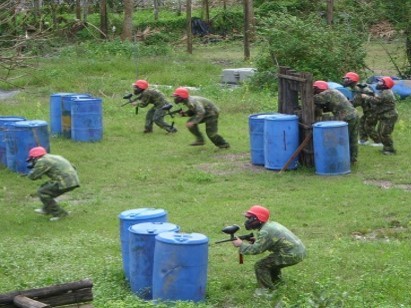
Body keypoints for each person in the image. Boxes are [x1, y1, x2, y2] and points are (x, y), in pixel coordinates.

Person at [232, 205, 306, 295]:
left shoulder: (265, 231)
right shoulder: (270, 225)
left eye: (250, 218)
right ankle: (277, 283)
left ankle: (267, 292)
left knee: (261, 266)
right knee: (271, 263)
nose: (247, 221)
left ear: (258, 218)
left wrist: (241, 245)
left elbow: (256, 250)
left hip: (291, 254)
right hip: (298, 251)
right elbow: (271, 241)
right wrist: (256, 241)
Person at [26, 146, 80, 221]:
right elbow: (73, 166)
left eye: (32, 160)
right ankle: (47, 209)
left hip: (65, 182)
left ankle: (60, 214)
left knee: (43, 192)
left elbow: (33, 176)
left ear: (35, 157)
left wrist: (31, 170)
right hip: (73, 179)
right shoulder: (55, 156)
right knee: (45, 187)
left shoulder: (42, 161)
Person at [313, 80, 360, 163]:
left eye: (315, 90)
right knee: (353, 138)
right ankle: (352, 159)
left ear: (319, 89)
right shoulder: (333, 92)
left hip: (346, 116)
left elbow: (314, 99)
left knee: (343, 138)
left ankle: (342, 159)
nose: (315, 92)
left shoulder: (327, 93)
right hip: (354, 114)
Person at [360, 76, 398, 155]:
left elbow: (376, 100)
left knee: (385, 133)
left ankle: (390, 150)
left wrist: (366, 97)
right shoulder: (383, 92)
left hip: (389, 116)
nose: (378, 83)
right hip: (385, 116)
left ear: (386, 84)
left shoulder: (386, 92)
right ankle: (386, 148)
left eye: (381, 82)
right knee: (381, 132)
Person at [342, 72, 381, 146]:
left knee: (369, 126)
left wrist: (345, 103)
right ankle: (363, 140)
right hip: (368, 110)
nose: (345, 81)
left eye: (347, 79)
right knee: (361, 123)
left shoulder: (358, 89)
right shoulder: (357, 88)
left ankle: (378, 141)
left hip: (373, 110)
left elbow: (355, 103)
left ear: (352, 80)